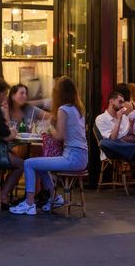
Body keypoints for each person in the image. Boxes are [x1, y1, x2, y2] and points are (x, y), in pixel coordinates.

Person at [12, 77, 88, 215]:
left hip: (71, 157)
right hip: (82, 157)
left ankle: (29, 204)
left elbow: (59, 136)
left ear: (58, 93)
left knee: (29, 163)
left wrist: (48, 128)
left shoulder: (63, 109)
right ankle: (54, 197)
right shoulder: (78, 109)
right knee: (40, 166)